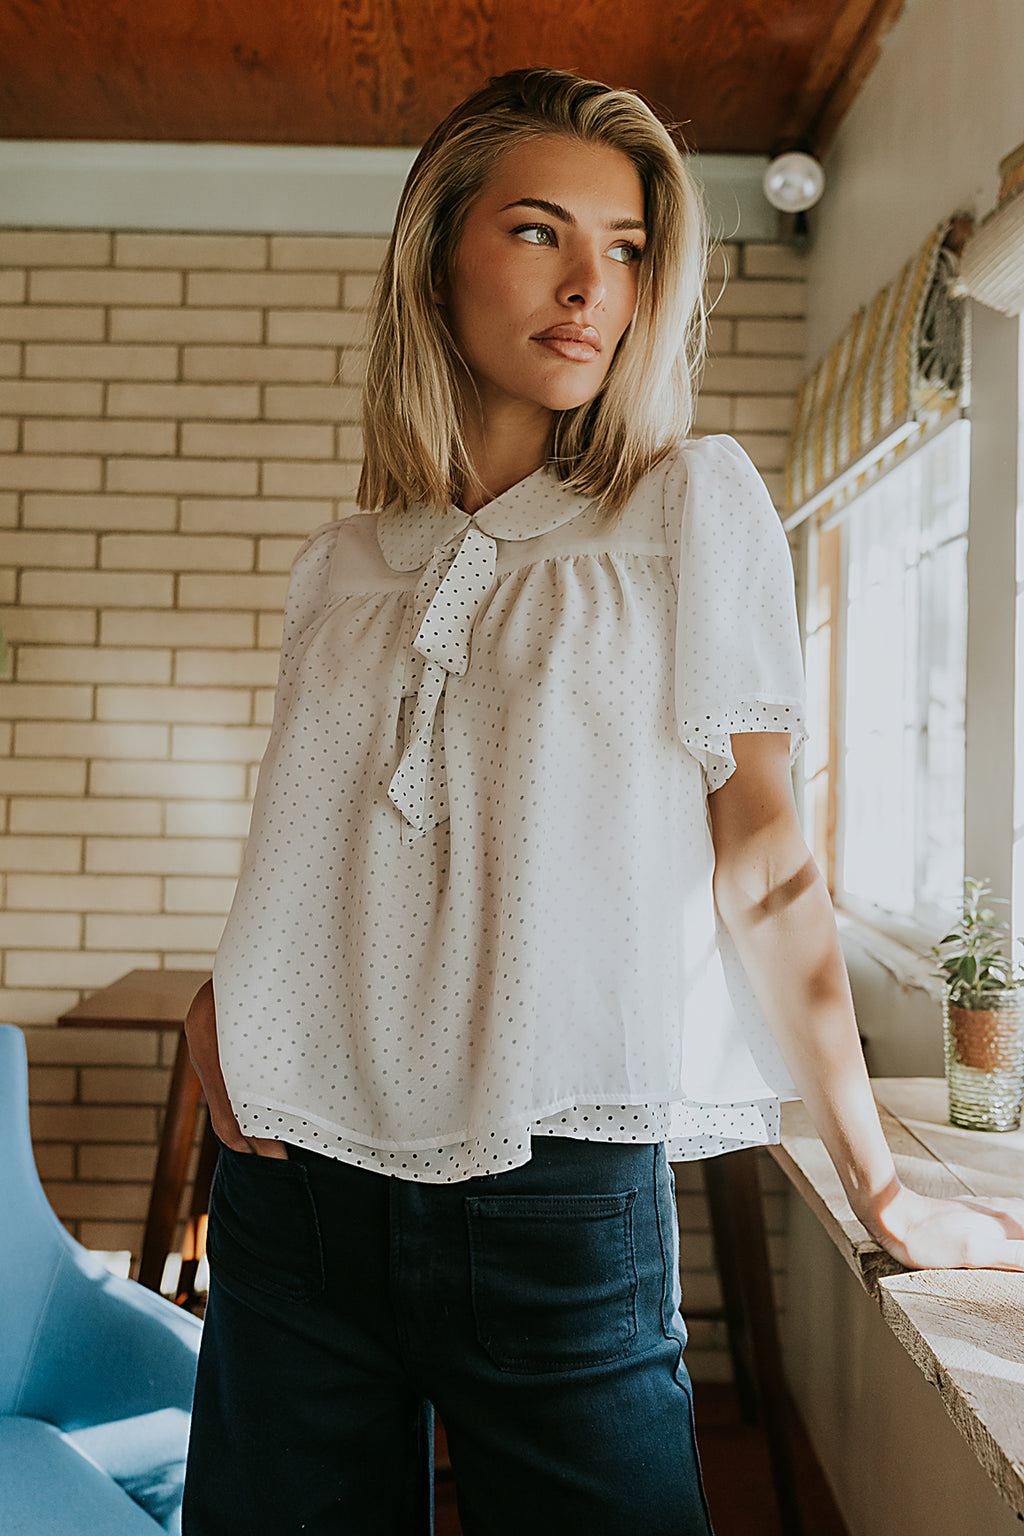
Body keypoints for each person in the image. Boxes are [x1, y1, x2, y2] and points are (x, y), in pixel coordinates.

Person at [181, 66, 1024, 1536]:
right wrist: (225, 997)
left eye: (627, 247)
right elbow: (311, 853)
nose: (591, 284)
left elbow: (764, 862)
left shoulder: (691, 508)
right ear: (438, 255)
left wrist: (880, 1187)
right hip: (293, 1183)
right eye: (537, 232)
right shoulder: (345, 562)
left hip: (554, 1190)